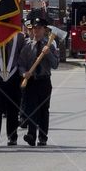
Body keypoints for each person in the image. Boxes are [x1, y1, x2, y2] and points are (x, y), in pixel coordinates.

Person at [18, 16, 59, 146]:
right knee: (31, 109)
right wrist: (24, 73)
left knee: (43, 110)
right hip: (31, 82)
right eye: (34, 28)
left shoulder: (50, 45)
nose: (36, 31)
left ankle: (42, 137)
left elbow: (55, 64)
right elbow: (21, 64)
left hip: (44, 81)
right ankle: (31, 135)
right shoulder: (27, 45)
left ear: (44, 30)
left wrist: (48, 54)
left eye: (39, 28)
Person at [0, 24, 27, 147]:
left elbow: (22, 55)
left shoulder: (19, 37)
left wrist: (22, 74)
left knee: (12, 109)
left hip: (14, 75)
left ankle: (12, 136)